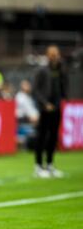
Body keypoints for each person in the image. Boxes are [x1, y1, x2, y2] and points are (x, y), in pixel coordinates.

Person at [32, 44, 68, 178]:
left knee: (53, 137)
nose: (54, 56)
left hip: (57, 107)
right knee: (41, 136)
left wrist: (62, 99)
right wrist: (44, 104)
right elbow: (35, 90)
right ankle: (38, 166)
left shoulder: (60, 69)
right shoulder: (41, 70)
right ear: (47, 55)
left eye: (56, 53)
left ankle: (50, 164)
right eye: (52, 53)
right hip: (44, 108)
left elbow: (63, 86)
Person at [15, 79, 39, 149]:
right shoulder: (20, 97)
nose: (28, 87)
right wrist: (34, 117)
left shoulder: (28, 97)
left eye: (28, 85)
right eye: (26, 85)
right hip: (22, 120)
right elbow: (27, 111)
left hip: (29, 119)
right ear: (22, 86)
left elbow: (32, 110)